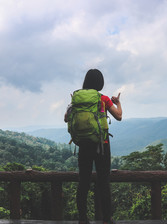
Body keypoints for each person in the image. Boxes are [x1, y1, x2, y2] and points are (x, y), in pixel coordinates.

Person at [65, 69, 122, 224]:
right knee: (104, 181)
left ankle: (83, 218)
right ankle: (107, 219)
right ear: (100, 83)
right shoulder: (102, 98)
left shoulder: (77, 99)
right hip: (102, 144)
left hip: (83, 144)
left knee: (83, 181)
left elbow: (66, 118)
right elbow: (119, 116)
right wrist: (118, 103)